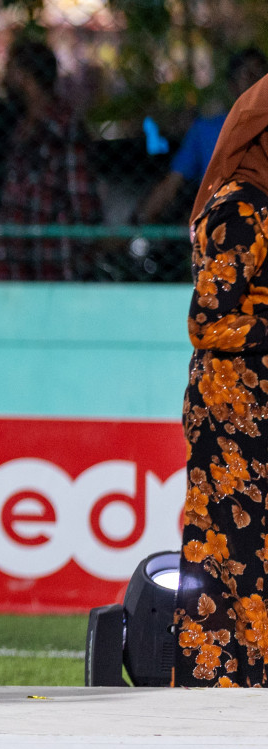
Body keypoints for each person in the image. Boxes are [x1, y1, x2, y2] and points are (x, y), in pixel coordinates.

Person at [173, 72, 268, 687]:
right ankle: (223, 680)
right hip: (236, 411)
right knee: (230, 552)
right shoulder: (240, 204)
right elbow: (211, 316)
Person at [0, 40, 103, 281]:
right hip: (18, 262)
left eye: (10, 70)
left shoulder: (63, 129)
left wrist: (81, 251)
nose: (5, 79)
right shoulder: (20, 128)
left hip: (55, 262)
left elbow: (83, 202)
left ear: (23, 75)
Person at [137, 48, 268, 225]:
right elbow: (172, 184)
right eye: (250, 75)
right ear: (233, 85)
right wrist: (138, 222)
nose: (258, 84)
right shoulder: (206, 131)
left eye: (262, 77)